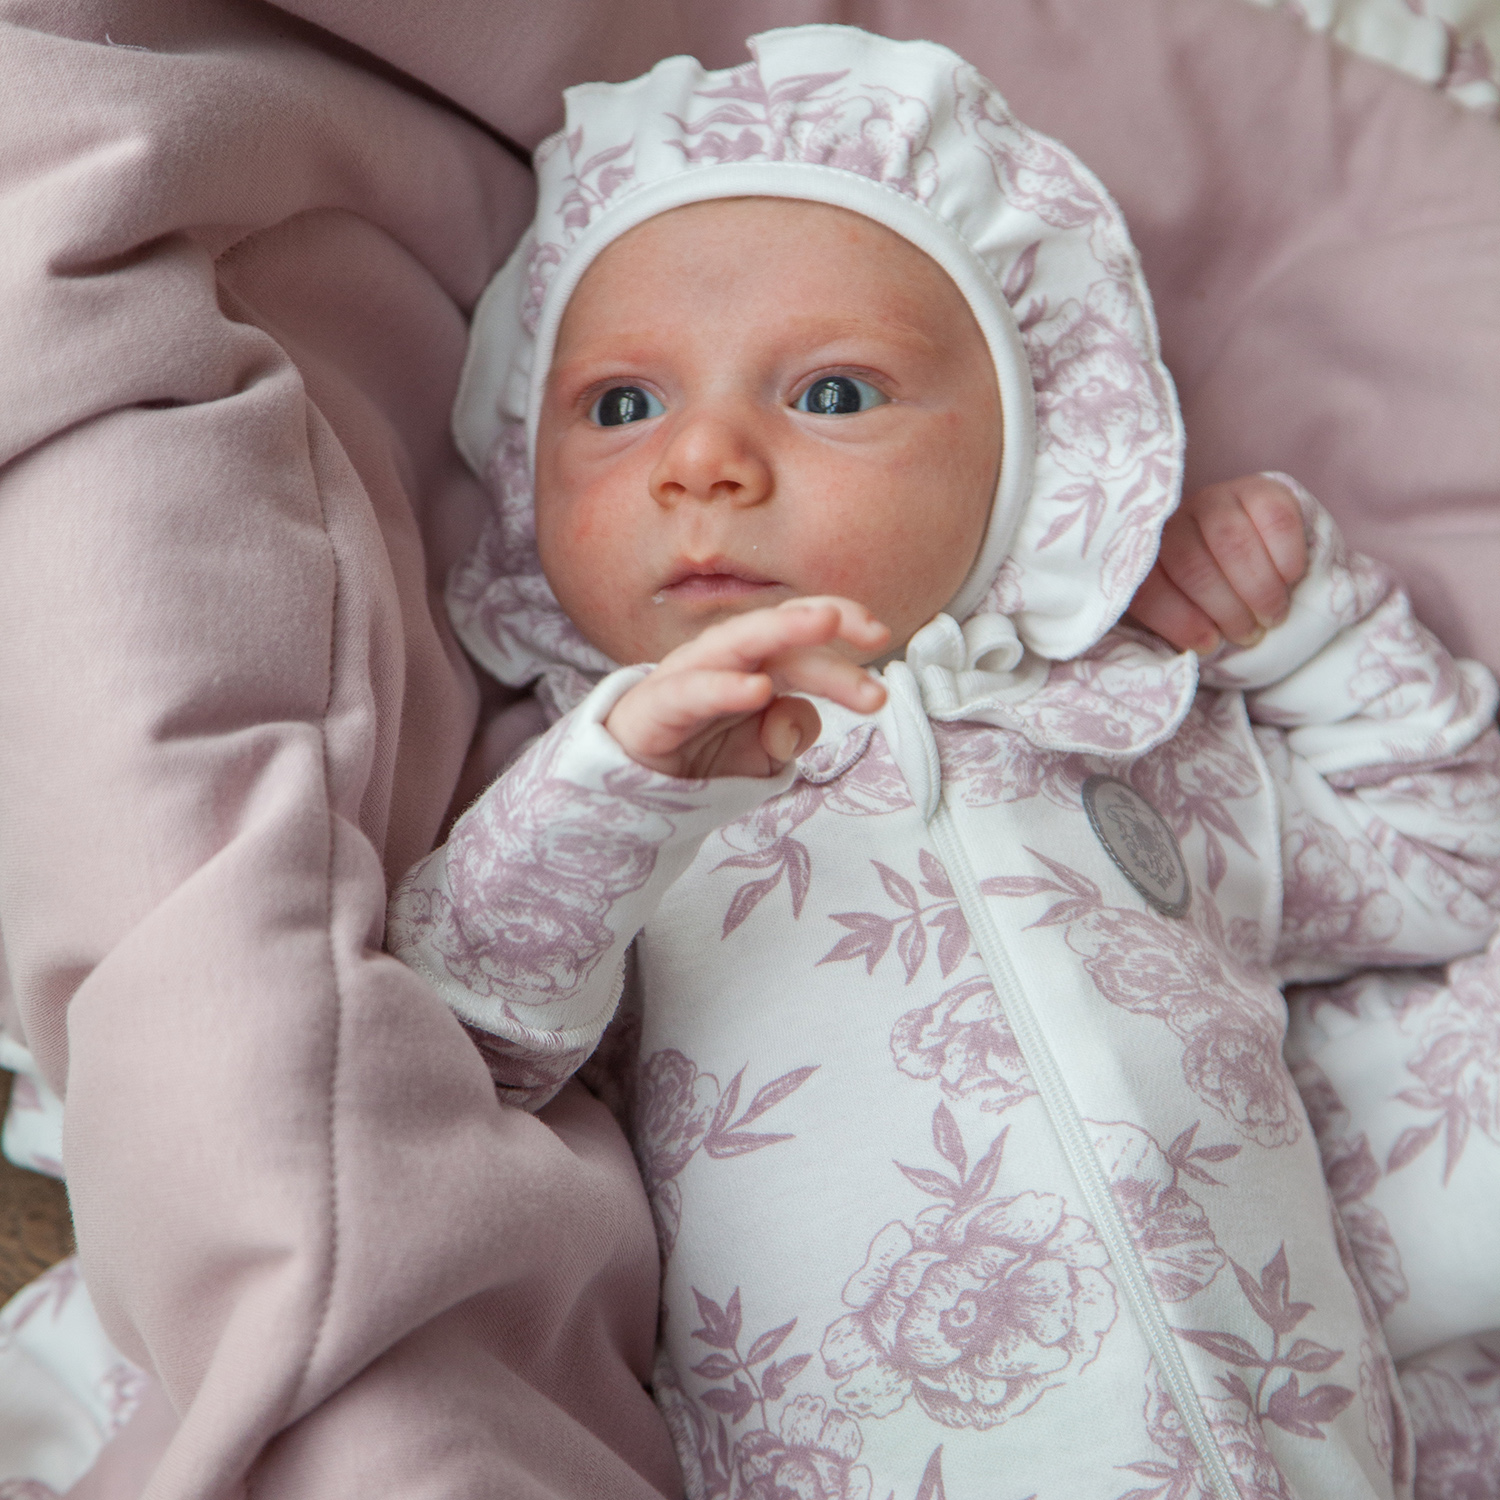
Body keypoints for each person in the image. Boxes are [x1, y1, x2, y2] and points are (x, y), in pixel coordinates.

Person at [388, 27, 1500, 1500]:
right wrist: (621, 786)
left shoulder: (1142, 734)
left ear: (1034, 457)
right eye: (621, 406)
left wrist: (1307, 629)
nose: (700, 460)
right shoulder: (603, 788)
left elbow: (1447, 868)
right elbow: (464, 1044)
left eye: (833, 394)